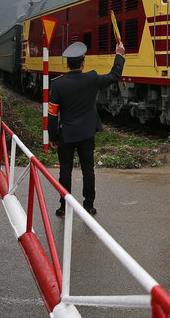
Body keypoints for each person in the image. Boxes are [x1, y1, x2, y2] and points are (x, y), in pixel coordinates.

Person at [48, 40, 125, 217]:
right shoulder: (92, 78)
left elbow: (53, 114)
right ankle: (88, 206)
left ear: (67, 64)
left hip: (66, 135)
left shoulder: (58, 84)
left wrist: (52, 136)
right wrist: (119, 55)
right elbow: (114, 76)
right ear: (83, 63)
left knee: (65, 171)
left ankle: (64, 207)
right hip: (86, 134)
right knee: (88, 169)